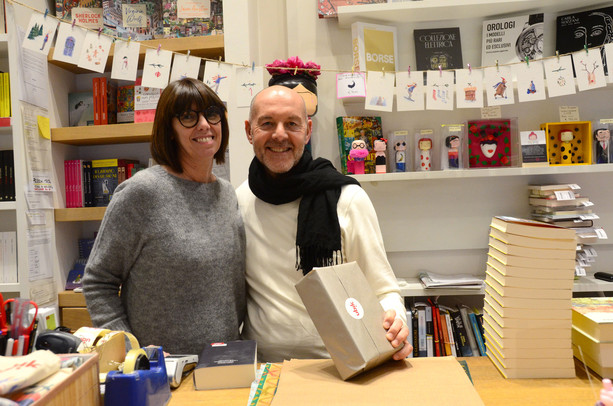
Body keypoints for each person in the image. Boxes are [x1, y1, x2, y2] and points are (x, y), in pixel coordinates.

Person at [236, 85, 411, 362]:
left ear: (308, 131)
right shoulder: (239, 201)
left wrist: (396, 321)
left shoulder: (347, 199)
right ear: (249, 131)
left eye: (292, 124)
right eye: (267, 123)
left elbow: (384, 289)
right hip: (262, 368)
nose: (279, 134)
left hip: (342, 364)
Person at [83, 78, 245, 355]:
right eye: (188, 117)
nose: (204, 124)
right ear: (169, 129)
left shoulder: (228, 194)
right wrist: (132, 352)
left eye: (212, 114)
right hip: (163, 374)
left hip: (226, 363)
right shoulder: (141, 193)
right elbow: (98, 281)